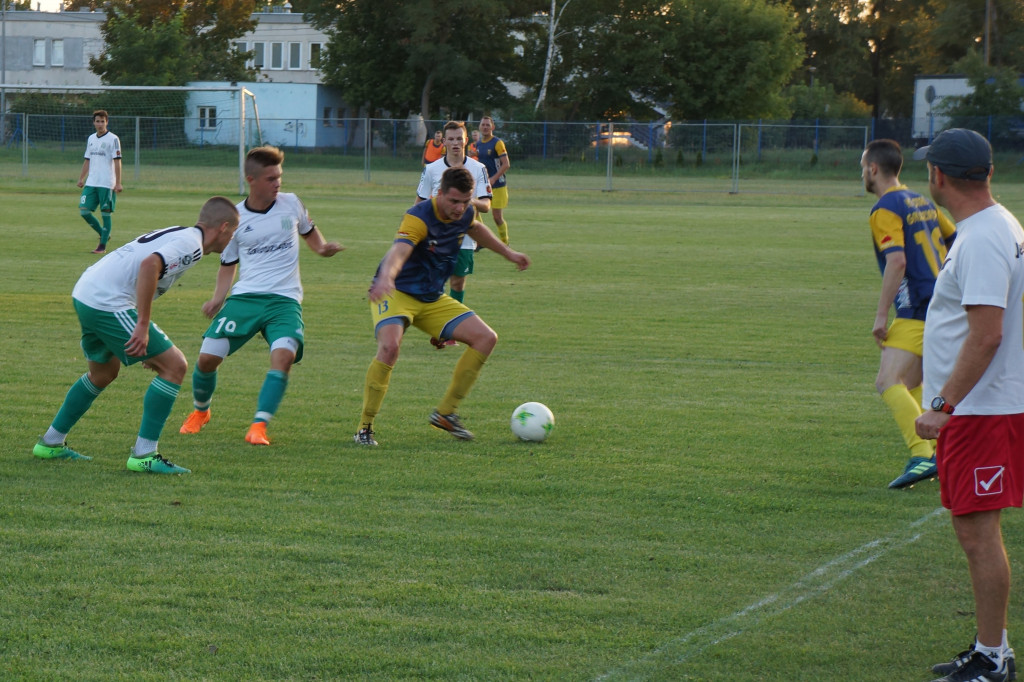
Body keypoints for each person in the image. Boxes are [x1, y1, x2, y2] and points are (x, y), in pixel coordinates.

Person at [913, 129, 1024, 682]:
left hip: (980, 411)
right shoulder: (996, 225)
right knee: (975, 532)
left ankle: (993, 659)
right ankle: (990, 649)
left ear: (938, 175)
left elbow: (986, 334)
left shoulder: (981, 237)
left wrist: (942, 403)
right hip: (983, 406)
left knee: (979, 535)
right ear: (989, 171)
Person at [32, 197, 240, 474]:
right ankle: (144, 455)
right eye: (233, 233)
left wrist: (145, 338)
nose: (232, 239)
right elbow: (149, 266)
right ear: (223, 227)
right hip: (107, 301)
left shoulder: (184, 234)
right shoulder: (191, 245)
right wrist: (141, 326)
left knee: (103, 373)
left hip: (87, 292)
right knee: (175, 366)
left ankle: (50, 443)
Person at [178, 146, 343, 446]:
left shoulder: (292, 203)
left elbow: (310, 233)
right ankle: (201, 412)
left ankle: (258, 426)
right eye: (271, 178)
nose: (278, 183)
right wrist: (217, 299)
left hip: (284, 300)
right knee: (207, 359)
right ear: (251, 180)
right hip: (246, 299)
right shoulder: (235, 217)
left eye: (279, 176)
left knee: (283, 357)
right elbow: (228, 264)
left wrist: (322, 249)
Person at [354, 167, 530, 446]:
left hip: (431, 298)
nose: (460, 208)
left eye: (466, 201)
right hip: (394, 292)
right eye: (454, 201)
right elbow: (399, 251)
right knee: (390, 347)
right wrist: (386, 277)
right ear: (439, 194)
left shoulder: (466, 212)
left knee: (486, 338)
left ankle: (446, 413)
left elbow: (477, 229)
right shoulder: (419, 217)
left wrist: (509, 253)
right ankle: (365, 427)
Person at [860, 138, 957, 489]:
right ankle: (937, 452)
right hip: (941, 301)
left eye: (863, 167)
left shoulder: (885, 208)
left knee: (887, 381)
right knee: (913, 384)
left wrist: (880, 316)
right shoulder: (922, 200)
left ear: (873, 169)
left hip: (916, 305)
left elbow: (897, 261)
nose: (862, 173)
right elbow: (954, 238)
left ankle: (922, 454)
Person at [415, 120, 491, 320]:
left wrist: (468, 201)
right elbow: (419, 203)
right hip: (435, 235)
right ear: (444, 142)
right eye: (451, 139)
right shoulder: (432, 169)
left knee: (457, 283)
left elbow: (486, 205)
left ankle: (452, 326)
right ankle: (435, 323)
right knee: (433, 283)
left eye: (459, 138)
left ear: (466, 141)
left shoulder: (478, 168)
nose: (455, 143)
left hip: (464, 235)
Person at [77, 110, 123, 254]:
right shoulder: (91, 138)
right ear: (94, 122)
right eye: (98, 121)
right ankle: (104, 234)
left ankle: (102, 246)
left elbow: (117, 161)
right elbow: (87, 160)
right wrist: (81, 178)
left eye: (103, 121)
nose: (100, 124)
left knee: (105, 213)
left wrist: (118, 182)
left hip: (106, 183)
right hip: (91, 182)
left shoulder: (113, 139)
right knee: (84, 211)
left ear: (107, 122)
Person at [476, 116, 511, 245]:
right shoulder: (478, 144)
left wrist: (493, 178)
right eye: (483, 125)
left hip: (498, 185)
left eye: (488, 125)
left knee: (497, 217)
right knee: (474, 211)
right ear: (479, 127)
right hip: (483, 185)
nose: (485, 127)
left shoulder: (497, 143)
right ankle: (481, 241)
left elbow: (506, 164)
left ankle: (505, 242)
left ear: (493, 127)